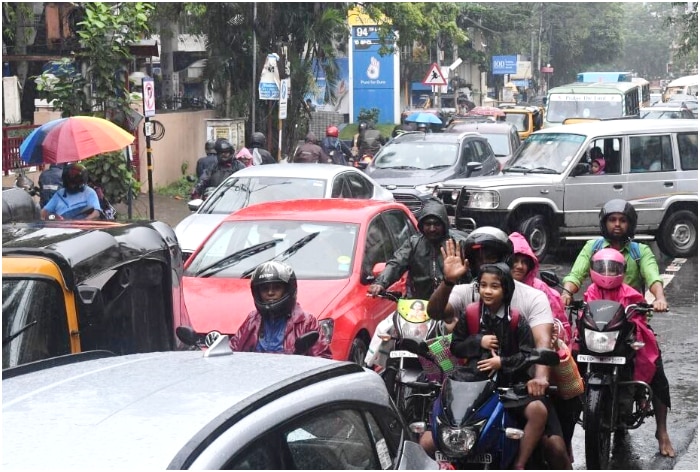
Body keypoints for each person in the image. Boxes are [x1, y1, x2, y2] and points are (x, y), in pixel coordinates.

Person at [426, 226, 570, 468]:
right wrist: (448, 282)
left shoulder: (532, 298)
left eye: (491, 256)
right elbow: (437, 313)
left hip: (517, 384)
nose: (484, 263)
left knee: (554, 448)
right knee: (429, 442)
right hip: (472, 388)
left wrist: (540, 380)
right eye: (478, 257)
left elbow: (542, 343)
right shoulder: (465, 294)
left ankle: (519, 465)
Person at [560, 199, 674, 457]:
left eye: (622, 220)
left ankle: (662, 430)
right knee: (565, 368)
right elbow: (576, 275)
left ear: (629, 224)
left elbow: (653, 275)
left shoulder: (639, 251)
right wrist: (566, 293)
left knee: (655, 368)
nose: (617, 224)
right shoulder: (592, 247)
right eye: (613, 219)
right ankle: (564, 437)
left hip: (630, 322)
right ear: (605, 223)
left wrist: (659, 297)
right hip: (595, 321)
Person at [450, 263, 569, 470]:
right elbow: (456, 347)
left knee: (538, 411)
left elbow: (527, 355)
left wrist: (502, 362)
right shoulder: (469, 314)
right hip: (475, 387)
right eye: (483, 285)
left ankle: (519, 464)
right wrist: (478, 341)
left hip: (512, 388)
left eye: (494, 286)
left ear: (506, 289)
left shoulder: (516, 320)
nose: (487, 291)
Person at [367, 198, 467, 301]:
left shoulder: (458, 243)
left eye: (437, 224)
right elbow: (396, 263)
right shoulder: (413, 243)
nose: (432, 229)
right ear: (422, 225)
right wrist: (380, 283)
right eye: (428, 224)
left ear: (444, 225)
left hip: (451, 304)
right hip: (418, 307)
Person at [229, 261, 332, 358]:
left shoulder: (307, 322)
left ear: (288, 289)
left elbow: (322, 361)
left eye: (277, 288)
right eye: (265, 289)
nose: (270, 293)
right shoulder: (252, 319)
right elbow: (232, 352)